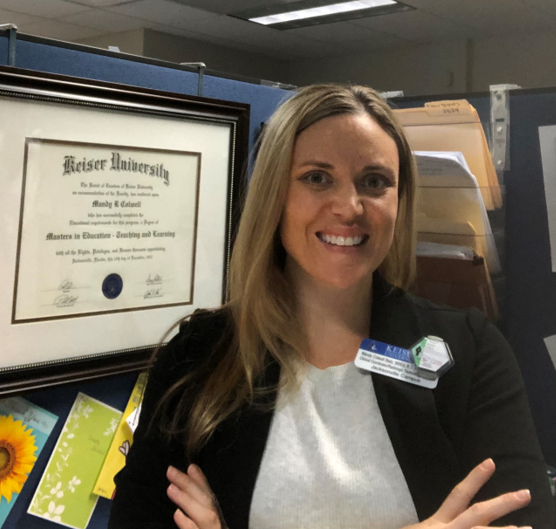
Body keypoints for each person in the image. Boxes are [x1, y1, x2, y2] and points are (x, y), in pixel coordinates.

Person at [108, 84, 555, 529]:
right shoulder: (199, 356)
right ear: (274, 195)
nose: (348, 207)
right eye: (317, 178)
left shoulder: (469, 354)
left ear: (399, 200)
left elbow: (525, 520)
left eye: (374, 182)